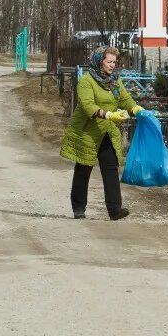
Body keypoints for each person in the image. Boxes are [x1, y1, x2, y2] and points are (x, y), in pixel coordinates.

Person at [60, 48, 143, 220]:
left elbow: (125, 98)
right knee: (84, 168)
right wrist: (108, 114)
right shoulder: (86, 81)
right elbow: (87, 105)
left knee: (111, 168)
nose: (113, 65)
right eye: (109, 62)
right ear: (99, 62)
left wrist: (136, 108)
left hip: (106, 130)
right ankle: (78, 208)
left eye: (114, 62)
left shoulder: (114, 81)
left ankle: (114, 210)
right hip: (87, 131)